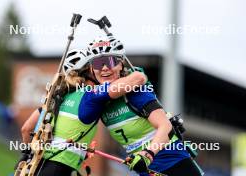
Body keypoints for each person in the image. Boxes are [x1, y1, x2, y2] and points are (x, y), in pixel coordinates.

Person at [78, 35, 204, 176]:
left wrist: (147, 154)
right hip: (145, 169)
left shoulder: (136, 91)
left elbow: (165, 126)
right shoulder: (94, 97)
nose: (105, 68)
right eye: (97, 63)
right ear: (91, 68)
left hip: (172, 161)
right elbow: (84, 115)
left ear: (121, 64)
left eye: (110, 61)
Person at [19, 48, 147, 176]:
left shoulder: (58, 97)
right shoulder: (91, 96)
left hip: (37, 165)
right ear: (88, 72)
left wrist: (26, 155)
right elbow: (138, 78)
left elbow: (26, 128)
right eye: (95, 67)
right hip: (60, 168)